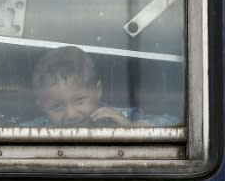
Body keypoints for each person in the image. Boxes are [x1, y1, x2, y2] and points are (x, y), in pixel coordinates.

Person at [22, 46, 179, 127]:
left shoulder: (116, 118)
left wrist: (132, 127)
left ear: (98, 91)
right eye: (57, 107)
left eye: (79, 100)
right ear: (41, 106)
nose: (71, 114)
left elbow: (173, 123)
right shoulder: (40, 128)